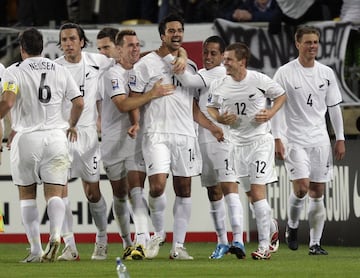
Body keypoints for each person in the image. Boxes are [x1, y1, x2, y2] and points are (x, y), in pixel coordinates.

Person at [0, 27, 84, 262]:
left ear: (21, 48)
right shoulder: (60, 69)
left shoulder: (13, 71)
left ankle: (36, 250)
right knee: (55, 193)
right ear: (43, 46)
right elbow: (79, 102)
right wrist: (72, 125)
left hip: (26, 138)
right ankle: (56, 235)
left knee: (27, 195)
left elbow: (7, 102)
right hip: (56, 137)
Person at [128, 13, 204, 260]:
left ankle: (178, 246)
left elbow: (193, 103)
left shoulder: (189, 66)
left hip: (185, 134)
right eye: (171, 31)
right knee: (157, 186)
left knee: (184, 189)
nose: (177, 34)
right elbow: (131, 101)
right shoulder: (144, 64)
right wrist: (148, 100)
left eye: (179, 30)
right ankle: (158, 234)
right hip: (156, 133)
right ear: (162, 35)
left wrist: (211, 128)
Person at [100, 28, 175, 260]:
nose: (135, 49)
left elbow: (168, 53)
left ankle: (140, 240)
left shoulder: (144, 70)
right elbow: (123, 104)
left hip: (136, 139)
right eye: (130, 45)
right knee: (119, 195)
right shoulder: (112, 74)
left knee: (135, 189)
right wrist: (152, 94)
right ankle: (126, 240)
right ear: (119, 49)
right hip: (113, 140)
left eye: (138, 45)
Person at [207, 42, 286, 260]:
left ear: (242, 62)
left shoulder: (258, 80)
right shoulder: (220, 84)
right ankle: (271, 226)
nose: (225, 63)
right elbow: (211, 108)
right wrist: (220, 118)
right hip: (237, 146)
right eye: (225, 59)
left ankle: (263, 247)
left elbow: (281, 95)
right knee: (252, 196)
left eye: (229, 59)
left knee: (258, 194)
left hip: (260, 142)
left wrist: (270, 113)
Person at [272, 26, 346, 255]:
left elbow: (334, 108)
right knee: (302, 188)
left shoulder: (326, 72)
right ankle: (292, 226)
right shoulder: (284, 73)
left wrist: (340, 137)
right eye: (308, 42)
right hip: (294, 139)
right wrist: (276, 138)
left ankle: (315, 243)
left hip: (320, 140)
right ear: (297, 44)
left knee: (317, 191)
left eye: (315, 42)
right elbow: (274, 106)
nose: (312, 46)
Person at [55, 22, 114, 261]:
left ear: (81, 42)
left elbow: (128, 57)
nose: (67, 43)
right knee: (59, 191)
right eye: (64, 40)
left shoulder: (97, 61)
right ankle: (70, 245)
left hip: (88, 135)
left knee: (93, 193)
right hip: (62, 135)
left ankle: (102, 238)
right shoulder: (54, 67)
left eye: (71, 39)